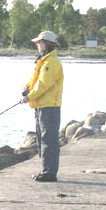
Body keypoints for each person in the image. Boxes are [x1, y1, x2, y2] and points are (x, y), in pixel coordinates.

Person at [20, 31, 63, 182]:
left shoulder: (51, 63)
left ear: (46, 43)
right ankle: (45, 170)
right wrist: (28, 89)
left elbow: (43, 85)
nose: (37, 45)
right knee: (41, 139)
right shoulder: (44, 61)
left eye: (39, 42)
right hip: (41, 106)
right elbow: (36, 81)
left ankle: (49, 173)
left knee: (48, 140)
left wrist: (28, 97)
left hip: (49, 106)